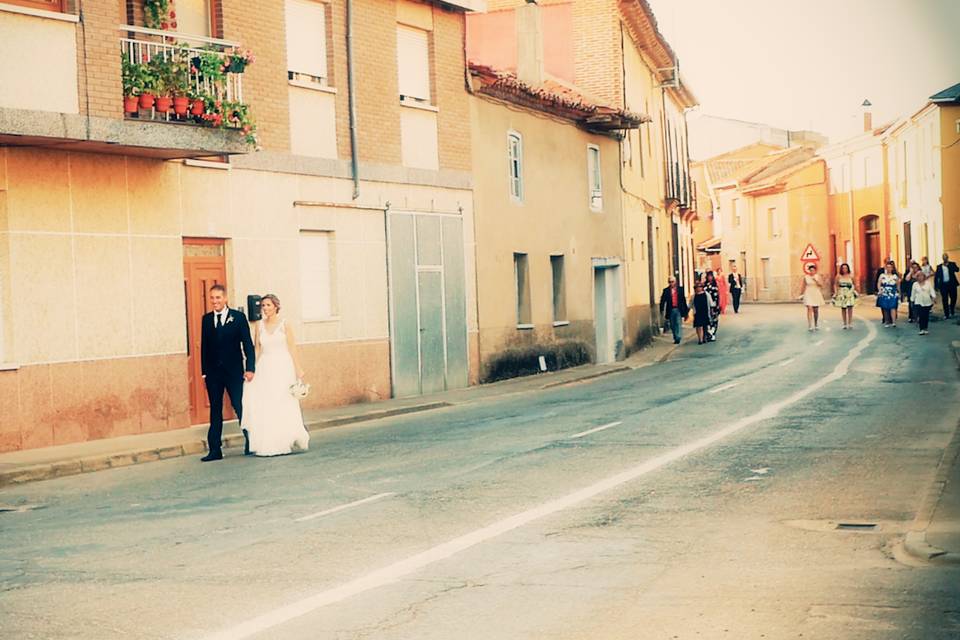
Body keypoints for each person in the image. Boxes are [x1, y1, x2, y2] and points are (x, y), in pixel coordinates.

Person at [243, 294, 310, 456]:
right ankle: (270, 440)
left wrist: (298, 368)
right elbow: (257, 348)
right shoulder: (259, 325)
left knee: (282, 400)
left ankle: (286, 436)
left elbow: (292, 347)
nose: (265, 308)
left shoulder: (284, 324)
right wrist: (252, 368)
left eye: (268, 305)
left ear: (276, 306)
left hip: (283, 366)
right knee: (267, 402)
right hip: (265, 366)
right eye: (263, 306)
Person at [200, 284, 256, 462]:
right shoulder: (206, 319)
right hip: (214, 374)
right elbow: (205, 347)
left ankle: (251, 442)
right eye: (212, 298)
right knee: (215, 410)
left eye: (218, 298)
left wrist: (250, 368)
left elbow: (247, 344)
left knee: (239, 406)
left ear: (225, 299)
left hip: (233, 371)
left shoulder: (238, 318)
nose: (215, 301)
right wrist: (204, 372)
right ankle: (214, 450)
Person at [659, 276, 689, 345]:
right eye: (669, 282)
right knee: (672, 325)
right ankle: (675, 337)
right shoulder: (666, 291)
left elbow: (683, 300)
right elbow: (663, 301)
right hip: (671, 309)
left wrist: (686, 311)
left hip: (678, 309)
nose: (671, 283)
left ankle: (678, 337)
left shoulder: (680, 290)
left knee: (678, 323)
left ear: (675, 282)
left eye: (672, 282)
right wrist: (661, 309)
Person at [910, 271, 937, 335]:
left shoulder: (928, 283)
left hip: (927, 301)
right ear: (917, 277)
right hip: (918, 302)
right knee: (921, 315)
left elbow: (932, 291)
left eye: (921, 276)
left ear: (924, 277)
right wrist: (912, 301)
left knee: (926, 315)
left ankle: (925, 328)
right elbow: (913, 293)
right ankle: (921, 329)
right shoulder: (915, 284)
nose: (920, 277)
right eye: (918, 276)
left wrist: (933, 297)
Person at [800, 263, 825, 331]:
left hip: (816, 293)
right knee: (809, 308)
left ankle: (816, 324)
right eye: (810, 270)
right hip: (808, 293)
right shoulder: (806, 277)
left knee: (816, 310)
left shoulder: (817, 276)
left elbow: (821, 285)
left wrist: (815, 280)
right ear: (809, 271)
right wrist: (801, 294)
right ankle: (810, 325)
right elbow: (803, 286)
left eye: (813, 270)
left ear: (815, 271)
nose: (812, 272)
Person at [833, 263, 858, 329]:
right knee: (843, 308)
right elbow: (835, 285)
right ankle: (844, 323)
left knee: (850, 307)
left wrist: (854, 291)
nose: (844, 269)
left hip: (849, 292)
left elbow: (854, 284)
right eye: (843, 268)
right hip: (842, 293)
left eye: (846, 268)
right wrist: (836, 292)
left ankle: (850, 323)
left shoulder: (851, 276)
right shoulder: (838, 276)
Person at [876, 261, 901, 327]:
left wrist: (899, 293)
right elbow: (878, 283)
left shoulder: (895, 276)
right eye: (887, 267)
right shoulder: (882, 275)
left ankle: (893, 322)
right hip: (884, 292)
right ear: (886, 268)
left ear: (892, 268)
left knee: (893, 307)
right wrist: (879, 290)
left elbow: (898, 285)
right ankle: (887, 321)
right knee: (885, 307)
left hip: (893, 292)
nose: (889, 269)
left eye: (890, 267)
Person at [934, 253, 959, 319]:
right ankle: (946, 314)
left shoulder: (952, 264)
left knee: (954, 298)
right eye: (944, 257)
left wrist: (949, 265)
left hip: (952, 284)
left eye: (946, 257)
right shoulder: (939, 267)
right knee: (945, 299)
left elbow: (957, 269)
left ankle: (952, 309)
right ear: (942, 258)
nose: (945, 258)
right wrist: (936, 286)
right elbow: (936, 277)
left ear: (947, 258)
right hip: (943, 285)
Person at [703, 271, 720, 341]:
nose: (710, 278)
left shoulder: (715, 285)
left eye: (711, 276)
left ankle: (712, 333)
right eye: (708, 276)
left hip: (714, 305)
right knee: (707, 321)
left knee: (714, 320)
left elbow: (717, 296)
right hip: (706, 306)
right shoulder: (705, 285)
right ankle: (708, 334)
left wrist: (717, 305)